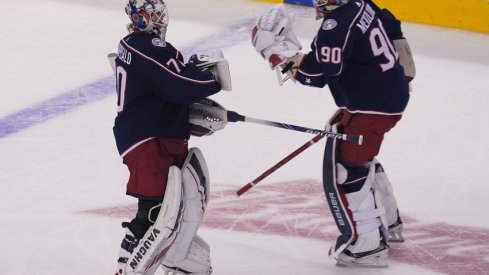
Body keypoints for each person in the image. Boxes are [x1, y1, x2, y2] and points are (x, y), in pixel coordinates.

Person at [251, 0, 415, 268]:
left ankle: (367, 246)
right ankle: (389, 219)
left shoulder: (336, 24)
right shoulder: (362, 4)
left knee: (348, 170)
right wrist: (403, 76)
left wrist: (276, 54)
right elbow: (391, 23)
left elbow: (314, 76)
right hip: (384, 95)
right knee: (359, 160)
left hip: (372, 107)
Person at [111, 0, 231, 274]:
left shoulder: (132, 45)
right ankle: (129, 268)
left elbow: (165, 88)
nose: (160, 19)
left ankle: (132, 263)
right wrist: (210, 76)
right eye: (154, 14)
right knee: (156, 213)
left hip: (150, 136)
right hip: (150, 140)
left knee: (164, 210)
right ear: (142, 18)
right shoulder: (148, 46)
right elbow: (182, 86)